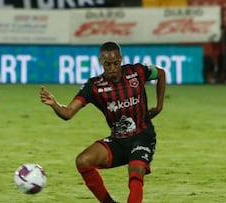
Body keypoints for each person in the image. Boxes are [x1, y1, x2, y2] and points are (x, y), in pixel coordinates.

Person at [40, 41, 165, 203]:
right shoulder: (94, 86)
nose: (112, 68)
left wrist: (159, 105)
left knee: (135, 172)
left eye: (116, 63)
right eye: (107, 64)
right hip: (118, 140)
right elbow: (68, 113)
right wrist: (54, 104)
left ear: (121, 59)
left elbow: (160, 73)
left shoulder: (137, 72)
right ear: (101, 62)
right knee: (83, 161)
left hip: (143, 136)